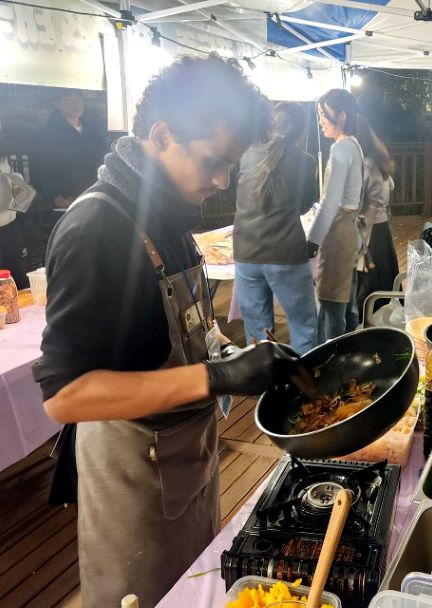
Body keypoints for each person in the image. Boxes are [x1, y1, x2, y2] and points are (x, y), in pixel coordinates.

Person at [32, 55, 298, 608]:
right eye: (213, 162)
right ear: (160, 134)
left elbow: (183, 333)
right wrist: (217, 376)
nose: (221, 181)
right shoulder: (96, 227)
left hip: (191, 457)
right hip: (131, 478)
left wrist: (240, 357)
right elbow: (65, 397)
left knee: (197, 589)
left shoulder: (169, 216)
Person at [233, 102, 318, 353]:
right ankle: (305, 387)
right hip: (285, 253)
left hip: (246, 253)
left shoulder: (247, 154)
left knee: (257, 332)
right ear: (299, 130)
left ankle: (265, 389)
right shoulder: (304, 160)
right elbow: (304, 205)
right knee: (303, 325)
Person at [308, 88, 364, 342]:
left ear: (341, 116)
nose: (319, 120)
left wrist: (312, 240)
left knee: (330, 304)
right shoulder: (354, 145)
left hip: (339, 229)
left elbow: (330, 201)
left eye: (323, 114)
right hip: (350, 228)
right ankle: (350, 352)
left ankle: (327, 364)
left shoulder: (342, 148)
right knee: (346, 300)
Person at [29, 89, 107, 209]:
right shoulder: (45, 135)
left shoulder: (94, 131)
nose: (76, 104)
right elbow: (39, 169)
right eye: (70, 100)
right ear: (57, 104)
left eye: (79, 100)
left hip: (96, 196)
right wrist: (55, 195)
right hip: (67, 200)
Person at [355, 118, 399, 319]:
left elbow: (355, 201)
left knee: (368, 284)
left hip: (369, 232)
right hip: (382, 230)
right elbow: (390, 187)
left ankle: (368, 324)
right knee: (384, 279)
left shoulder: (365, 165)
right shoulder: (378, 162)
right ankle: (385, 319)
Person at [0, 121, 35, 286]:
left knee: (18, 279)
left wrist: (20, 188)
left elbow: (10, 180)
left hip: (9, 228)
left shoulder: (3, 153)